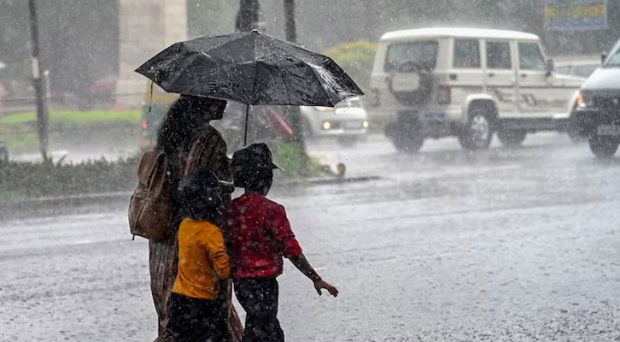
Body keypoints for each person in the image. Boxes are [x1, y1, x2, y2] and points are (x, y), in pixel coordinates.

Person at [225, 143, 339, 342]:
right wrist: (315, 277)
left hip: (240, 284)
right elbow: (292, 250)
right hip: (265, 285)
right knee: (266, 330)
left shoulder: (230, 210)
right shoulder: (272, 210)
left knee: (259, 326)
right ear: (266, 179)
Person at [150, 95, 236, 341]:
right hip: (198, 239)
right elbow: (209, 190)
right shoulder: (209, 140)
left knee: (173, 316)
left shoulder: (170, 135)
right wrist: (231, 173)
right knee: (209, 315)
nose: (225, 102)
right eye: (220, 96)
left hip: (166, 236)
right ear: (204, 101)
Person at [167, 170, 235, 341]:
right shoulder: (212, 233)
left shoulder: (184, 226)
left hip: (179, 302)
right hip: (203, 306)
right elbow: (224, 272)